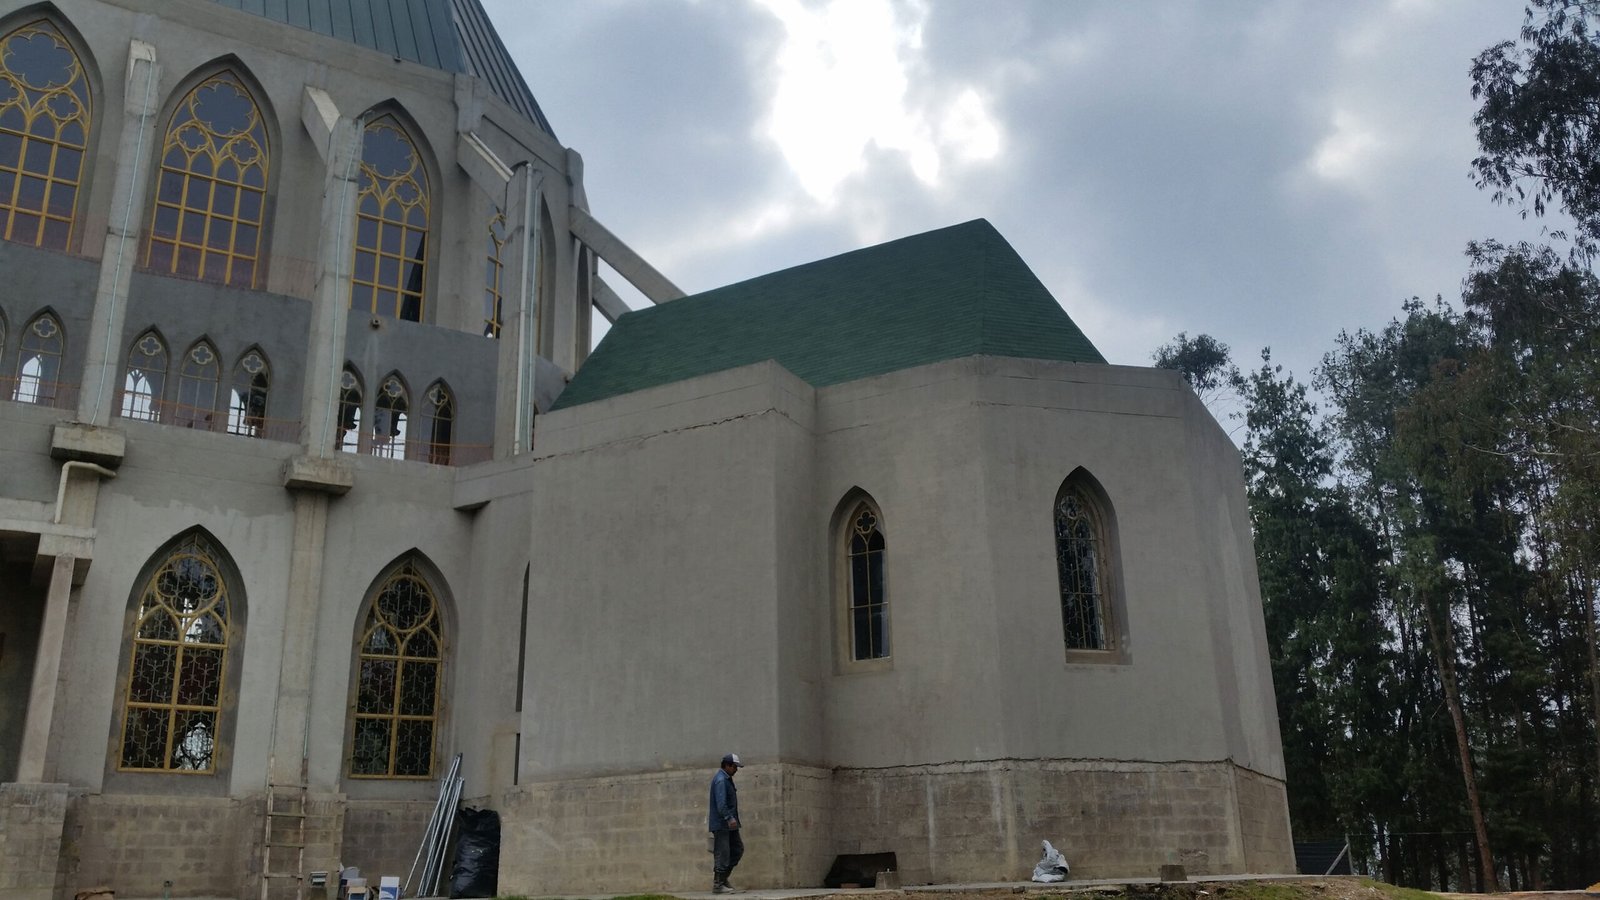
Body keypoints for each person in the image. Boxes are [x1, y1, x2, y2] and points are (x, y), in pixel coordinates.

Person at [707, 752, 744, 893]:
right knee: (723, 853)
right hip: (723, 824)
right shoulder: (721, 780)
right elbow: (721, 804)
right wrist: (729, 818)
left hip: (730, 825)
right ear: (727, 765)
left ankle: (723, 879)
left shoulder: (727, 778)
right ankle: (718, 885)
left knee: (737, 850)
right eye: (735, 767)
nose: (736, 770)